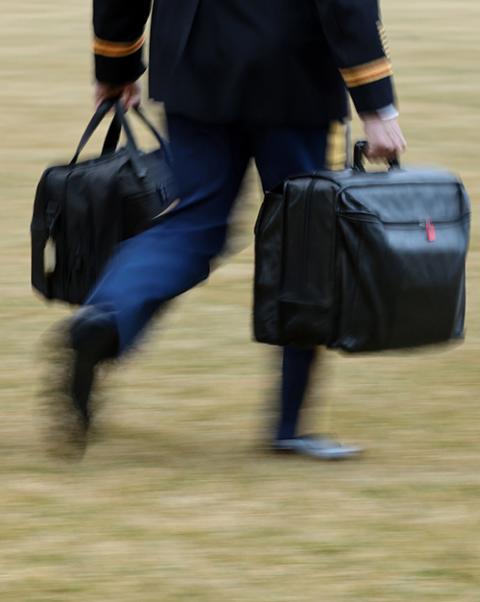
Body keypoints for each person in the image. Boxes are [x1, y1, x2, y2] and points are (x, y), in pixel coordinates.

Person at [47, 0, 406, 458]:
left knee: (192, 223)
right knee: (305, 239)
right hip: (292, 74)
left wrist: (115, 63)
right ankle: (289, 427)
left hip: (195, 62)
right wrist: (376, 102)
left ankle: (106, 317)